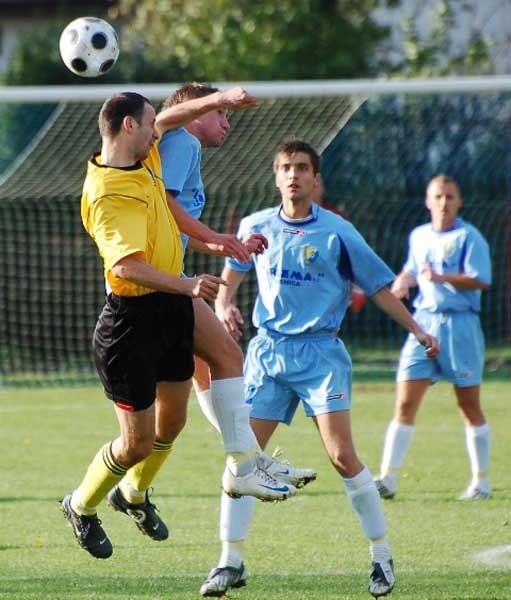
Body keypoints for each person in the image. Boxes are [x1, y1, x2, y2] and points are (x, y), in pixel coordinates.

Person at [60, 90, 299, 561]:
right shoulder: (109, 193)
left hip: (172, 302)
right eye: (151, 124)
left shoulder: (143, 152)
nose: (160, 130)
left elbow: (173, 116)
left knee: (208, 381)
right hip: (132, 322)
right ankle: (81, 504)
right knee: (136, 444)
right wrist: (188, 284)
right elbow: (126, 267)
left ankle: (237, 466)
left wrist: (222, 97)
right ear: (129, 126)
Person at [199, 139, 440, 598]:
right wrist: (226, 302)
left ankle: (381, 555)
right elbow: (232, 270)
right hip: (268, 355)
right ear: (276, 177)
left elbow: (380, 288)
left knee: (342, 456)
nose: (294, 175)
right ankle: (230, 561)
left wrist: (417, 330)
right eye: (286, 167)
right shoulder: (256, 225)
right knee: (242, 457)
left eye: (302, 168)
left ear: (315, 179)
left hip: (320, 356)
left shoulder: (338, 232)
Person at [158, 83, 317, 496]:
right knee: (220, 359)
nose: (227, 123)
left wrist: (223, 243)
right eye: (221, 115)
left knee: (204, 372)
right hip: (157, 284)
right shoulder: (182, 144)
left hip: (168, 278)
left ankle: (248, 458)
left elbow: (172, 227)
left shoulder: (180, 146)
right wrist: (219, 238)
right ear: (195, 112)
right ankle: (246, 462)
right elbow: (166, 208)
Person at [374, 175, 492, 501]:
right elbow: (412, 269)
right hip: (423, 324)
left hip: (460, 326)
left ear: (459, 201)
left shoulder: (469, 237)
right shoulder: (419, 235)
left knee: (468, 406)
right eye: (437, 196)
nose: (443, 202)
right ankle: (388, 479)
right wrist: (402, 281)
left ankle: (481, 483)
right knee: (405, 402)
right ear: (427, 201)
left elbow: (481, 280)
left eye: (449, 196)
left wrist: (441, 278)